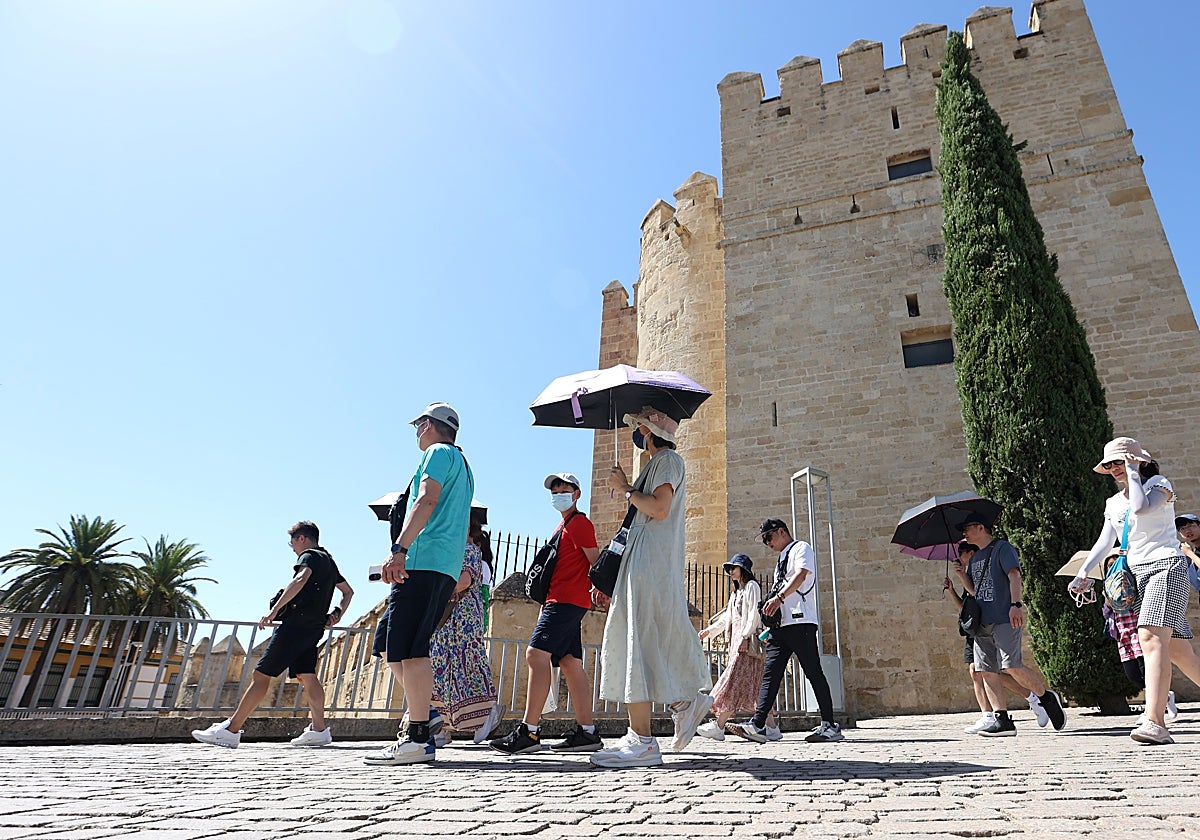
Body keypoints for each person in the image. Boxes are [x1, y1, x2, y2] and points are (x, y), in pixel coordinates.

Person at [590, 406, 712, 768]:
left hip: (648, 561)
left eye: (639, 427)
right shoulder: (659, 463)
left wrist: (626, 488)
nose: (637, 434)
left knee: (636, 639)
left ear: (648, 430)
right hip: (643, 559)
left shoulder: (668, 460)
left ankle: (644, 738)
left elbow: (659, 508)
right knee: (645, 637)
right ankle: (681, 704)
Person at [364, 402, 475, 766]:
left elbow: (427, 499)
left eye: (417, 424)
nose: (416, 431)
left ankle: (417, 737)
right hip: (440, 565)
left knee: (411, 651)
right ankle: (424, 717)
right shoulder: (463, 463)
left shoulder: (438, 454)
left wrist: (399, 549)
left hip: (423, 561)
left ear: (429, 425)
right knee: (395, 646)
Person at [1070, 437, 1200, 744]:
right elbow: (1106, 541)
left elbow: (1141, 509)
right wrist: (1084, 571)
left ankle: (1155, 722)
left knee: (1150, 637)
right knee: (1180, 653)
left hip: (1165, 567)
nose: (1115, 468)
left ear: (1138, 460)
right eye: (1110, 464)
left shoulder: (1159, 485)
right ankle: (1155, 717)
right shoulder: (1113, 503)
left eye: (1120, 461)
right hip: (1136, 574)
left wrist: (1132, 472)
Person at [192, 521, 353, 749]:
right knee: (307, 676)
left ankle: (230, 730)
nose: (294, 549)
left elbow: (300, 579)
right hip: (314, 627)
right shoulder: (329, 561)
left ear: (301, 539)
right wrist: (335, 614)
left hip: (295, 626)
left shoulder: (309, 555)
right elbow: (348, 592)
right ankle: (319, 730)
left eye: (292, 544)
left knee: (261, 675)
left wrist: (274, 610)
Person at [490, 472, 604, 755]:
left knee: (535, 654)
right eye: (554, 491)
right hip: (562, 601)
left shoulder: (579, 525)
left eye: (564, 490)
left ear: (577, 494)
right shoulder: (562, 526)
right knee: (570, 663)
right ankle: (587, 732)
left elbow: (596, 561)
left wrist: (601, 591)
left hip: (566, 601)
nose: (558, 495)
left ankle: (529, 731)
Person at [727, 519, 843, 744]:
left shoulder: (801, 548)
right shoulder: (781, 558)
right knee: (770, 674)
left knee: (813, 673)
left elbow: (800, 576)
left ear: (781, 531)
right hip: (781, 627)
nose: (766, 543)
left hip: (801, 623)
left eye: (768, 537)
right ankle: (758, 725)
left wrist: (779, 599)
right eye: (763, 540)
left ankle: (829, 724)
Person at [951, 513, 1066, 737]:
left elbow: (1014, 576)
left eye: (967, 528)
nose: (963, 533)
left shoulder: (1002, 548)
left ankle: (1045, 697)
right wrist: (960, 576)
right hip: (981, 622)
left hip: (1004, 616)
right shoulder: (974, 560)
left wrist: (1016, 604)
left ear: (981, 527)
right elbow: (975, 592)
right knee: (986, 670)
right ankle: (1002, 720)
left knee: (1011, 665)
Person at [428, 509, 504, 745]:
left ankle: (487, 712)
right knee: (443, 668)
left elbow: (464, 581)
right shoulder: (459, 551)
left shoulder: (469, 550)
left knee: (466, 666)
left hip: (461, 620)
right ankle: (441, 724)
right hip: (450, 621)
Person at [695, 554, 779, 741]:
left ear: (744, 569)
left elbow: (754, 615)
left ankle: (719, 725)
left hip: (745, 643)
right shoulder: (736, 593)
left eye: (734, 567)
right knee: (756, 685)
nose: (731, 571)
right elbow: (728, 618)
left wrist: (745, 636)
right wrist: (709, 631)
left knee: (732, 680)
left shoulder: (752, 587)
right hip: (737, 643)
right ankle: (772, 728)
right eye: (730, 568)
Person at [1175, 513, 1200, 603]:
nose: (1187, 531)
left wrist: (1189, 553)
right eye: (1182, 529)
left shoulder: (1190, 553)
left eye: (1190, 526)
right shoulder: (1193, 553)